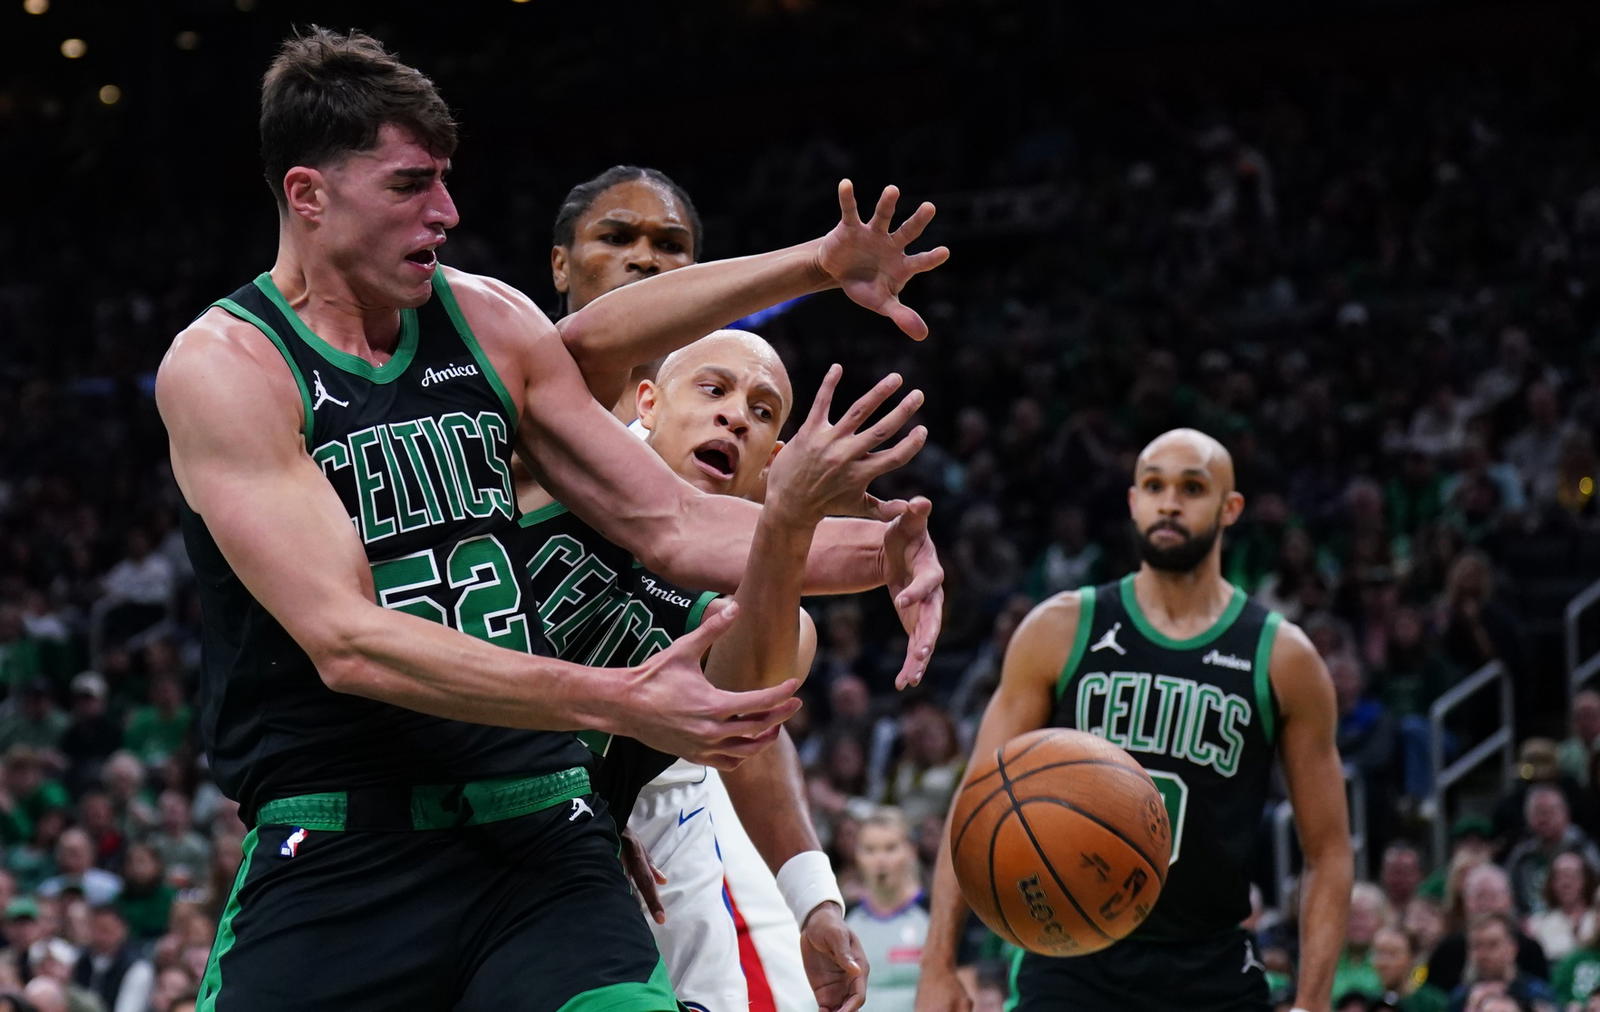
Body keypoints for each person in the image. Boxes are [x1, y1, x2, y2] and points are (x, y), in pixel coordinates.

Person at [155, 27, 946, 1011]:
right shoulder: (231, 367)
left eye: (445, 180)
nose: (445, 211)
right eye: (410, 185)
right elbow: (348, 641)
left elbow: (672, 522)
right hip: (342, 845)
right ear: (308, 194)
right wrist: (614, 699)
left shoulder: (488, 322)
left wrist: (886, 550)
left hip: (540, 832)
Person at [528, 165, 897, 1012]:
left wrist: (814, 895)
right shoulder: (528, 422)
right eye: (618, 239)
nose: (646, 265)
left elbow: (750, 722)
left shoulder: (742, 540)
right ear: (559, 264)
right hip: (490, 790)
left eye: (671, 250)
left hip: (659, 808)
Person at [916, 428, 1353, 1011]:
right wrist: (938, 963)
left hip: (1210, 961)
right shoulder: (1061, 629)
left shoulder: (1283, 657)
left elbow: (1329, 851)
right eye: (1154, 486)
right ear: (1132, 501)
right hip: (1068, 957)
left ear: (1231, 509)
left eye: (1192, 487)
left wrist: (1314, 1001)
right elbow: (975, 803)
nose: (1169, 502)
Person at [845, 807, 928, 1012]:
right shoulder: (842, 919)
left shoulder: (936, 914)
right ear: (857, 855)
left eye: (890, 848)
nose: (880, 860)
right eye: (870, 850)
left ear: (911, 850)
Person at [1427, 865, 1550, 994]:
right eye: (1479, 896)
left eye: (1492, 896)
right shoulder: (1447, 951)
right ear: (1465, 902)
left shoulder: (1530, 949)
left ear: (1509, 900)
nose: (1485, 904)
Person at [1447, 912, 1555, 1012]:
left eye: (1492, 945)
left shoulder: (1536, 993)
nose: (1483, 954)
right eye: (1476, 946)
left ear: (1512, 949)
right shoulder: (1459, 998)